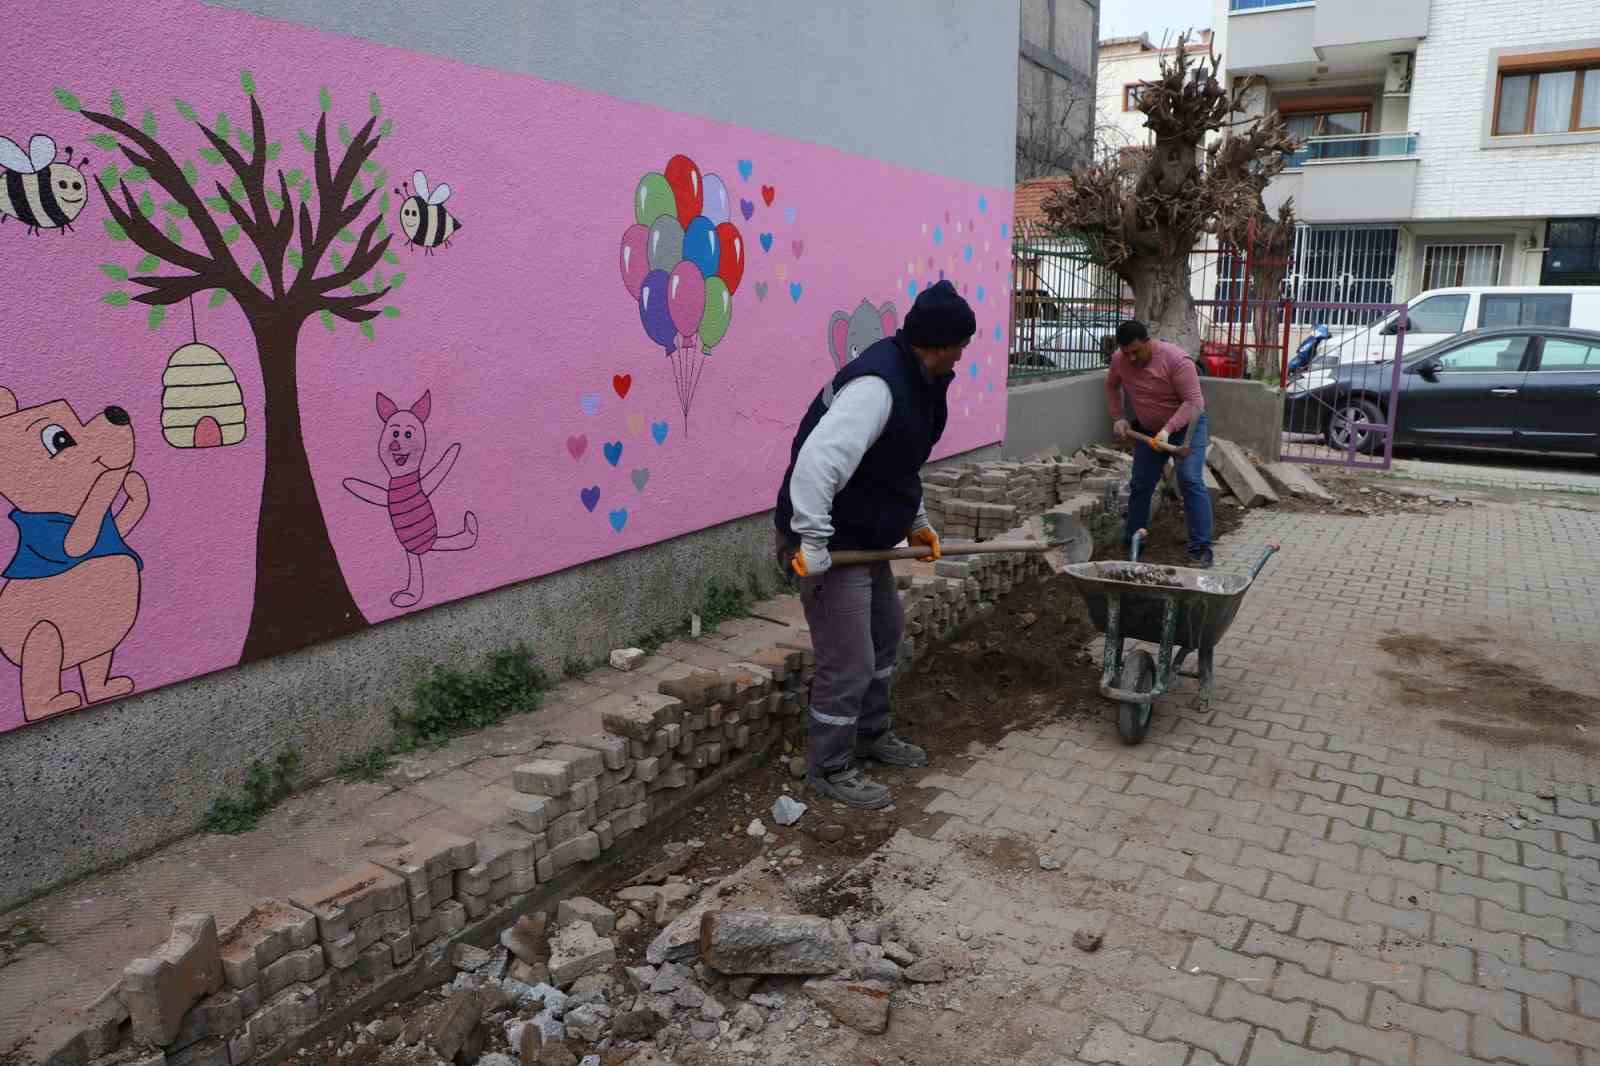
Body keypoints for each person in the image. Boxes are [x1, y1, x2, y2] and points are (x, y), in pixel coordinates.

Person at [774, 280, 975, 809]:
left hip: (868, 537)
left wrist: (918, 519)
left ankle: (870, 733)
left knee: (885, 635)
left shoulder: (921, 381)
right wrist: (811, 540)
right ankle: (829, 766)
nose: (963, 356)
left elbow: (895, 463)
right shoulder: (878, 387)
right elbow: (817, 463)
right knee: (850, 661)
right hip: (831, 544)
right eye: (961, 345)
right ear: (940, 344)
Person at [1106, 319, 1213, 567]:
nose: (1131, 358)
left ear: (1148, 342)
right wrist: (1119, 417)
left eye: (1136, 351)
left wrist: (1168, 430)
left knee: (1190, 480)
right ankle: (1135, 540)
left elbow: (1194, 402)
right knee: (1141, 483)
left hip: (1187, 428)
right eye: (1126, 353)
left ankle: (1201, 548)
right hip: (1149, 428)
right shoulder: (1119, 360)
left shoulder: (1176, 360)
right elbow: (1111, 385)